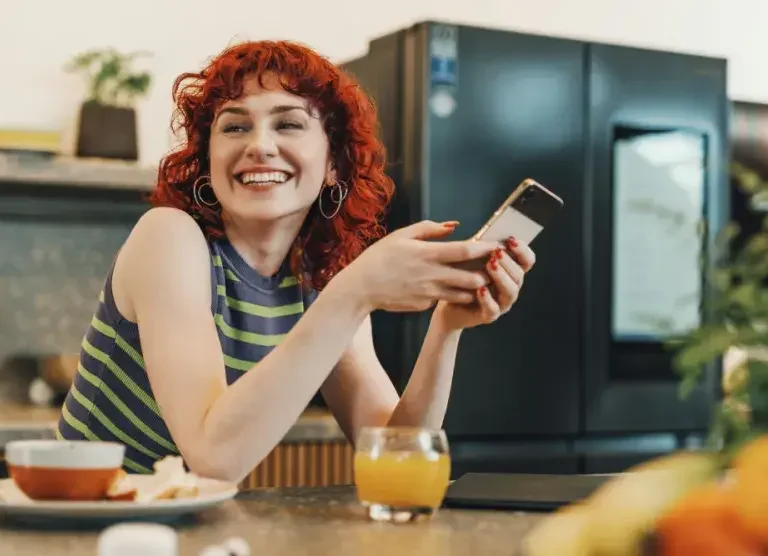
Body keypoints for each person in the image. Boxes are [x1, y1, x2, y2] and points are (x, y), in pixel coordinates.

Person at [57, 40, 536, 482]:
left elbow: (399, 459)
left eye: (288, 123)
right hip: (77, 525)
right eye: (235, 126)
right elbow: (214, 458)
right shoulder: (169, 237)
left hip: (181, 529)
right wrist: (355, 291)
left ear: (334, 165)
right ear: (207, 161)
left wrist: (445, 327)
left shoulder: (319, 282)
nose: (259, 144)